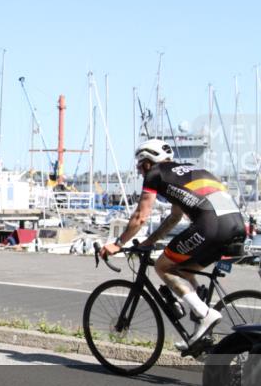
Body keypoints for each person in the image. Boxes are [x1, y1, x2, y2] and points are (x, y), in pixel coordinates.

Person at [100, 139, 245, 351]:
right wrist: (150, 241)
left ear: (148, 161)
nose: (140, 172)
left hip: (211, 225)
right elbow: (175, 217)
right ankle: (200, 334)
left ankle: (205, 314)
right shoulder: (187, 171)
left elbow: (140, 216)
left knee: (163, 266)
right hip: (236, 225)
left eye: (140, 166)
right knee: (183, 269)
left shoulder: (156, 173)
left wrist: (119, 243)